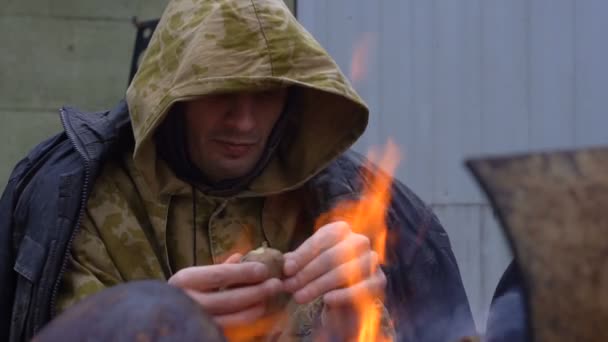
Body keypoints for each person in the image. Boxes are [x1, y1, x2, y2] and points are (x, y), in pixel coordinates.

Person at [0, 0, 475, 341]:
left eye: (266, 94)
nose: (244, 121)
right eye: (218, 92)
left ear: (294, 98)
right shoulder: (84, 205)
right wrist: (153, 323)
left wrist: (353, 325)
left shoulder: (361, 204)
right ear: (172, 97)